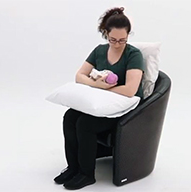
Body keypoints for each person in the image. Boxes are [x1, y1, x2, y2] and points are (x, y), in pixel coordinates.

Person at [53, 7, 144, 190]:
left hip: (124, 109)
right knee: (70, 117)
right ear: (105, 34)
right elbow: (79, 75)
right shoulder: (100, 51)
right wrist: (97, 85)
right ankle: (73, 168)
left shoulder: (133, 55)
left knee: (85, 124)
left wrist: (106, 88)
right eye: (113, 40)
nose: (118, 44)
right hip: (101, 102)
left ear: (128, 36)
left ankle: (86, 174)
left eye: (122, 40)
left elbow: (130, 90)